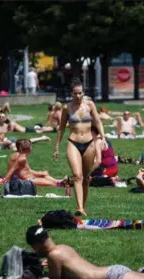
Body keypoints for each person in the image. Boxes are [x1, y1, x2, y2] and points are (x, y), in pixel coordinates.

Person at [53, 78, 107, 216]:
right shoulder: (67, 108)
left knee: (86, 177)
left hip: (89, 143)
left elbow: (98, 121)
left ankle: (83, 206)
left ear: (83, 92)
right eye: (75, 93)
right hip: (73, 142)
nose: (78, 96)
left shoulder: (90, 105)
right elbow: (61, 129)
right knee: (77, 175)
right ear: (71, 93)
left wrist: (103, 137)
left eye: (80, 93)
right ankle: (79, 208)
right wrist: (57, 147)